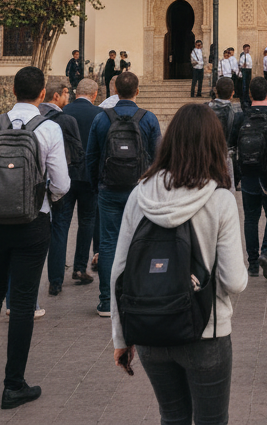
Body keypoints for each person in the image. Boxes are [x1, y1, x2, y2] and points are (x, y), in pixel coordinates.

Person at [111, 104, 248, 425]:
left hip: (150, 330)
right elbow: (234, 281)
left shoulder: (139, 194)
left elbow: (119, 271)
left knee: (172, 417)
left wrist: (121, 338)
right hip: (207, 333)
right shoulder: (220, 200)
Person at [0, 66, 71, 409]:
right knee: (23, 302)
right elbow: (62, 184)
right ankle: (14, 385)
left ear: (13, 91)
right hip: (33, 223)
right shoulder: (49, 128)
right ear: (43, 94)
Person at [85, 71, 162, 318]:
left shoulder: (101, 118)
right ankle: (138, 296)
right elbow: (158, 158)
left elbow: (91, 157)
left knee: (108, 244)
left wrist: (97, 186)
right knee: (140, 241)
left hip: (108, 190)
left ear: (115, 91)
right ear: (137, 91)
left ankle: (107, 301)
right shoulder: (148, 119)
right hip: (139, 191)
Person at [229, 75, 267, 279]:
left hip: (248, 176)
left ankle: (252, 264)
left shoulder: (240, 117)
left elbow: (232, 147)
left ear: (250, 93)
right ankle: (266, 252)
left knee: (251, 219)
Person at [39, 80, 85, 296]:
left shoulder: (35, 117)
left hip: (33, 185)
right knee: (60, 228)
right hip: (60, 182)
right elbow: (77, 151)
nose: (69, 97)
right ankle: (55, 281)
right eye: (66, 93)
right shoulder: (66, 120)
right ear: (56, 96)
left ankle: (51, 280)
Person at [63, 77, 103, 285]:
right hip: (88, 176)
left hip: (65, 175)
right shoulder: (99, 114)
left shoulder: (63, 112)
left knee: (62, 223)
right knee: (87, 222)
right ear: (94, 95)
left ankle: (56, 274)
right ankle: (79, 267)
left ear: (76, 92)